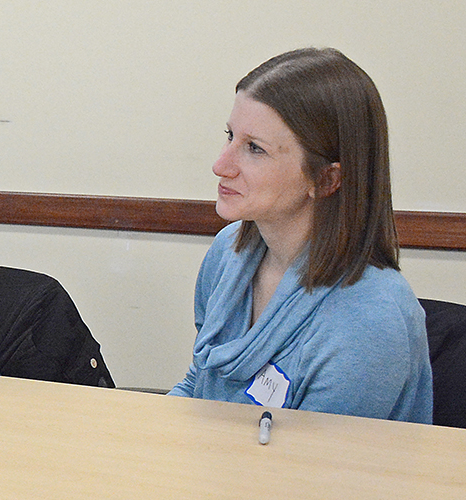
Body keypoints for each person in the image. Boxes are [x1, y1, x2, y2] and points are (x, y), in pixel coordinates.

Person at [169, 48, 432, 423]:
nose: (221, 165)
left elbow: (310, 473)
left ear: (326, 179)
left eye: (254, 149)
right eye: (230, 136)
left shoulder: (371, 319)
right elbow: (199, 381)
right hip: (220, 468)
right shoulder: (228, 251)